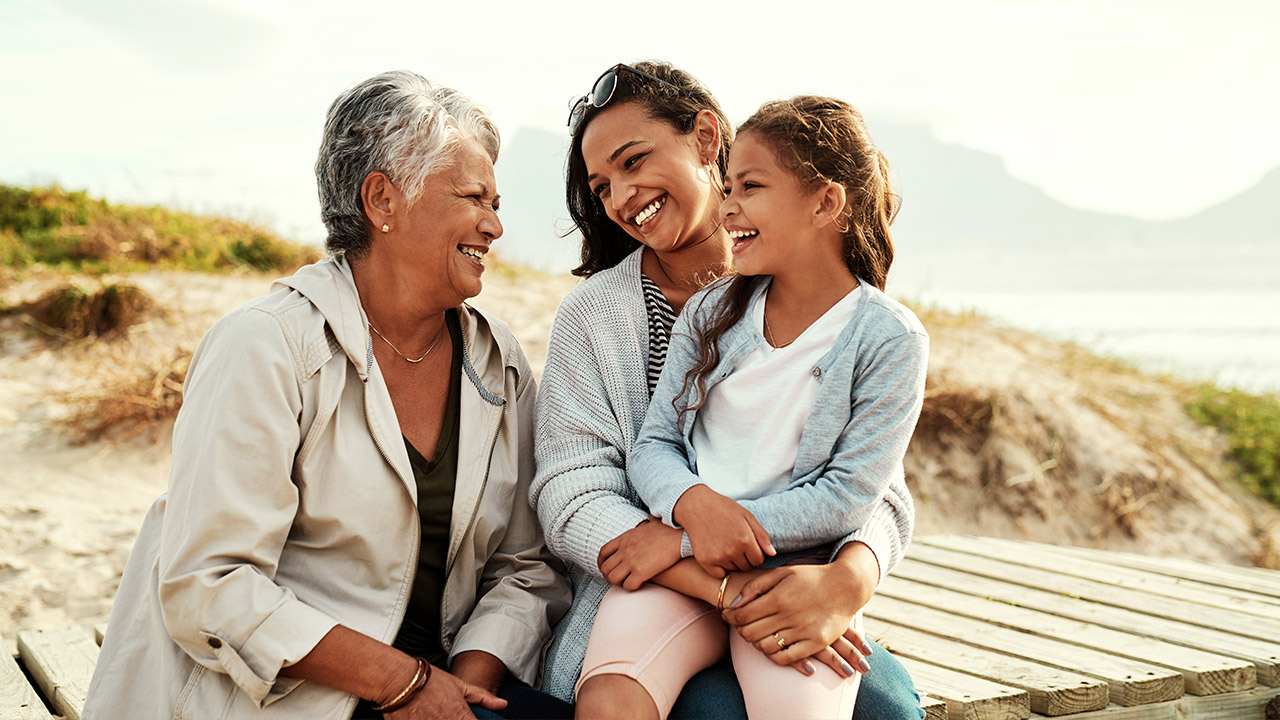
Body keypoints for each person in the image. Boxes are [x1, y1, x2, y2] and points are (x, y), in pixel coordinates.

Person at [82, 71, 572, 720]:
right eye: (475, 198)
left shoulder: (497, 359)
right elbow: (211, 586)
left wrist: (463, 691)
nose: (494, 226)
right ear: (382, 201)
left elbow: (524, 566)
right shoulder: (264, 346)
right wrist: (403, 684)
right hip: (289, 700)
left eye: (497, 204)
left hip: (448, 686)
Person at [531, 61, 925, 719]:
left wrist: (846, 582)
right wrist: (702, 558)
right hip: (657, 585)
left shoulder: (852, 315)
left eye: (634, 162)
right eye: (602, 186)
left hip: (792, 577)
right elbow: (573, 494)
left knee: (887, 709)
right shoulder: (600, 316)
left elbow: (873, 483)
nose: (622, 196)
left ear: (707, 140)